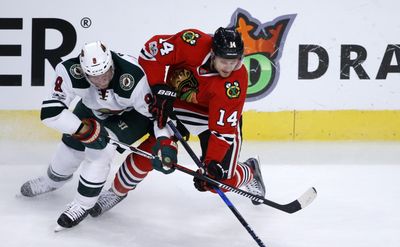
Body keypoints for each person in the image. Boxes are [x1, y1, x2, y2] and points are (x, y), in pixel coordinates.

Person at [91, 27, 266, 216]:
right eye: (224, 61)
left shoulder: (236, 83)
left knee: (218, 183)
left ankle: (250, 171)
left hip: (212, 119)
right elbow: (150, 53)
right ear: (213, 53)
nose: (229, 68)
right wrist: (159, 87)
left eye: (235, 62)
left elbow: (222, 131)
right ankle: (116, 192)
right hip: (176, 106)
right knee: (150, 153)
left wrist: (210, 164)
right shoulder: (191, 42)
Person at [20, 41, 177, 230]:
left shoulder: (133, 76)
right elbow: (50, 113)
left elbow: (157, 117)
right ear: (83, 72)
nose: (101, 81)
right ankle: (52, 181)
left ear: (111, 64)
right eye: (94, 77)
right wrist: (82, 130)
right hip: (91, 109)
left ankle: (82, 205)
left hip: (131, 115)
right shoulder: (69, 71)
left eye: (105, 74)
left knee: (100, 150)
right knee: (70, 150)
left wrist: (165, 142)